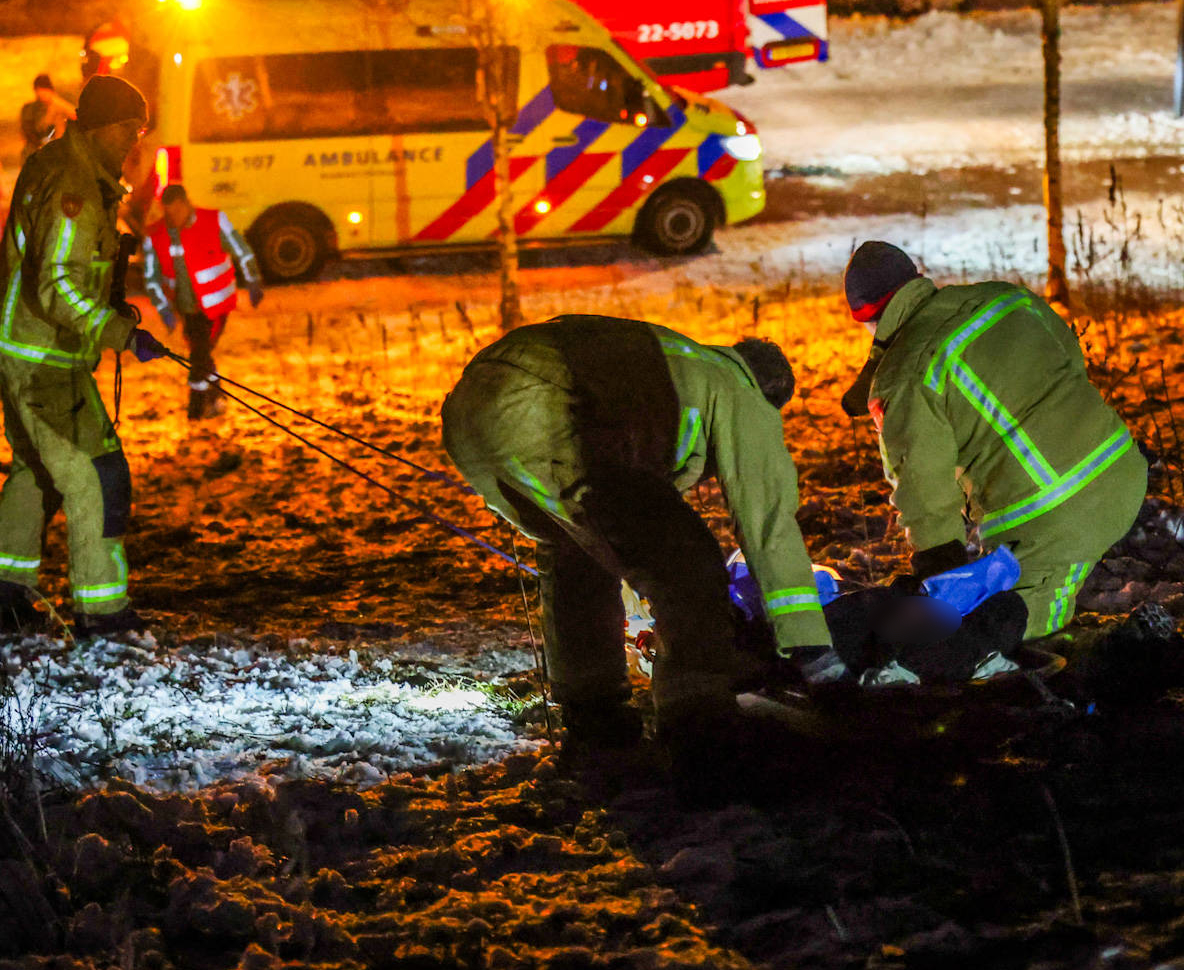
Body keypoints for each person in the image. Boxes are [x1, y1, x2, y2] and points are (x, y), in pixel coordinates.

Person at [441, 317, 846, 760]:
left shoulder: (686, 366)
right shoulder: (741, 390)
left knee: (577, 554)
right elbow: (767, 519)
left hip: (470, 409)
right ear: (770, 392)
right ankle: (698, 724)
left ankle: (595, 719)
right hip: (546, 402)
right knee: (686, 563)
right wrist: (810, 648)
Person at [840, 242, 1147, 653]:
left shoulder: (903, 375)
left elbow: (921, 484)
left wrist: (940, 569)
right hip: (1122, 470)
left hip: (1050, 514)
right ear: (916, 278)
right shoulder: (1007, 299)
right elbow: (1071, 364)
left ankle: (1108, 659)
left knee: (1006, 626)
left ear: (866, 319)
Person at [0, 75, 166, 637]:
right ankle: (101, 613)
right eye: (130, 130)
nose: (134, 142)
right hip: (43, 358)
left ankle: (4, 598)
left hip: (27, 347)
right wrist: (117, 331)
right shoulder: (74, 184)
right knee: (96, 474)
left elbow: (69, 270)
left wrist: (111, 304)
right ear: (104, 127)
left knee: (37, 472)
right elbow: (57, 285)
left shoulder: (69, 167)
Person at [141, 184, 264, 419]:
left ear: (186, 204)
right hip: (187, 309)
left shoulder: (214, 220)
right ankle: (213, 399)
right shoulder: (156, 235)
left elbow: (241, 250)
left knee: (200, 354)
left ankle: (197, 407)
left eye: (177, 211)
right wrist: (164, 308)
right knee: (201, 354)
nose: (174, 218)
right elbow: (151, 277)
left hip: (217, 305)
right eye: (169, 213)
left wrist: (253, 280)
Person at [19, 74, 77, 158]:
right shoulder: (32, 108)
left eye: (43, 91)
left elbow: (77, 117)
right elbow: (28, 131)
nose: (41, 95)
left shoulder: (59, 105)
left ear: (50, 91)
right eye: (38, 91)